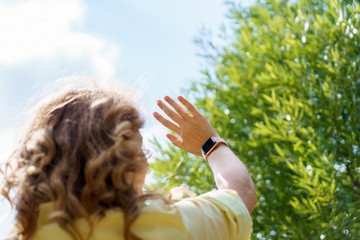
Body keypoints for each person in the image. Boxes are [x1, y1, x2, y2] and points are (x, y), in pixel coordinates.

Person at [1, 85, 256, 240]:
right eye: (140, 149)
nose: (147, 160)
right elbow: (240, 192)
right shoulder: (158, 224)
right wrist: (209, 143)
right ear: (122, 164)